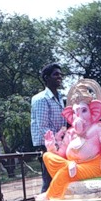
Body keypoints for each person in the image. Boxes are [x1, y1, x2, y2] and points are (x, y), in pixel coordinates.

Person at [30, 63, 66, 192]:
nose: (59, 77)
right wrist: (55, 145)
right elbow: (43, 126)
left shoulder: (61, 97)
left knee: (61, 176)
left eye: (60, 75)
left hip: (61, 143)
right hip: (48, 145)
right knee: (49, 178)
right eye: (56, 74)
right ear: (46, 78)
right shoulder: (40, 99)